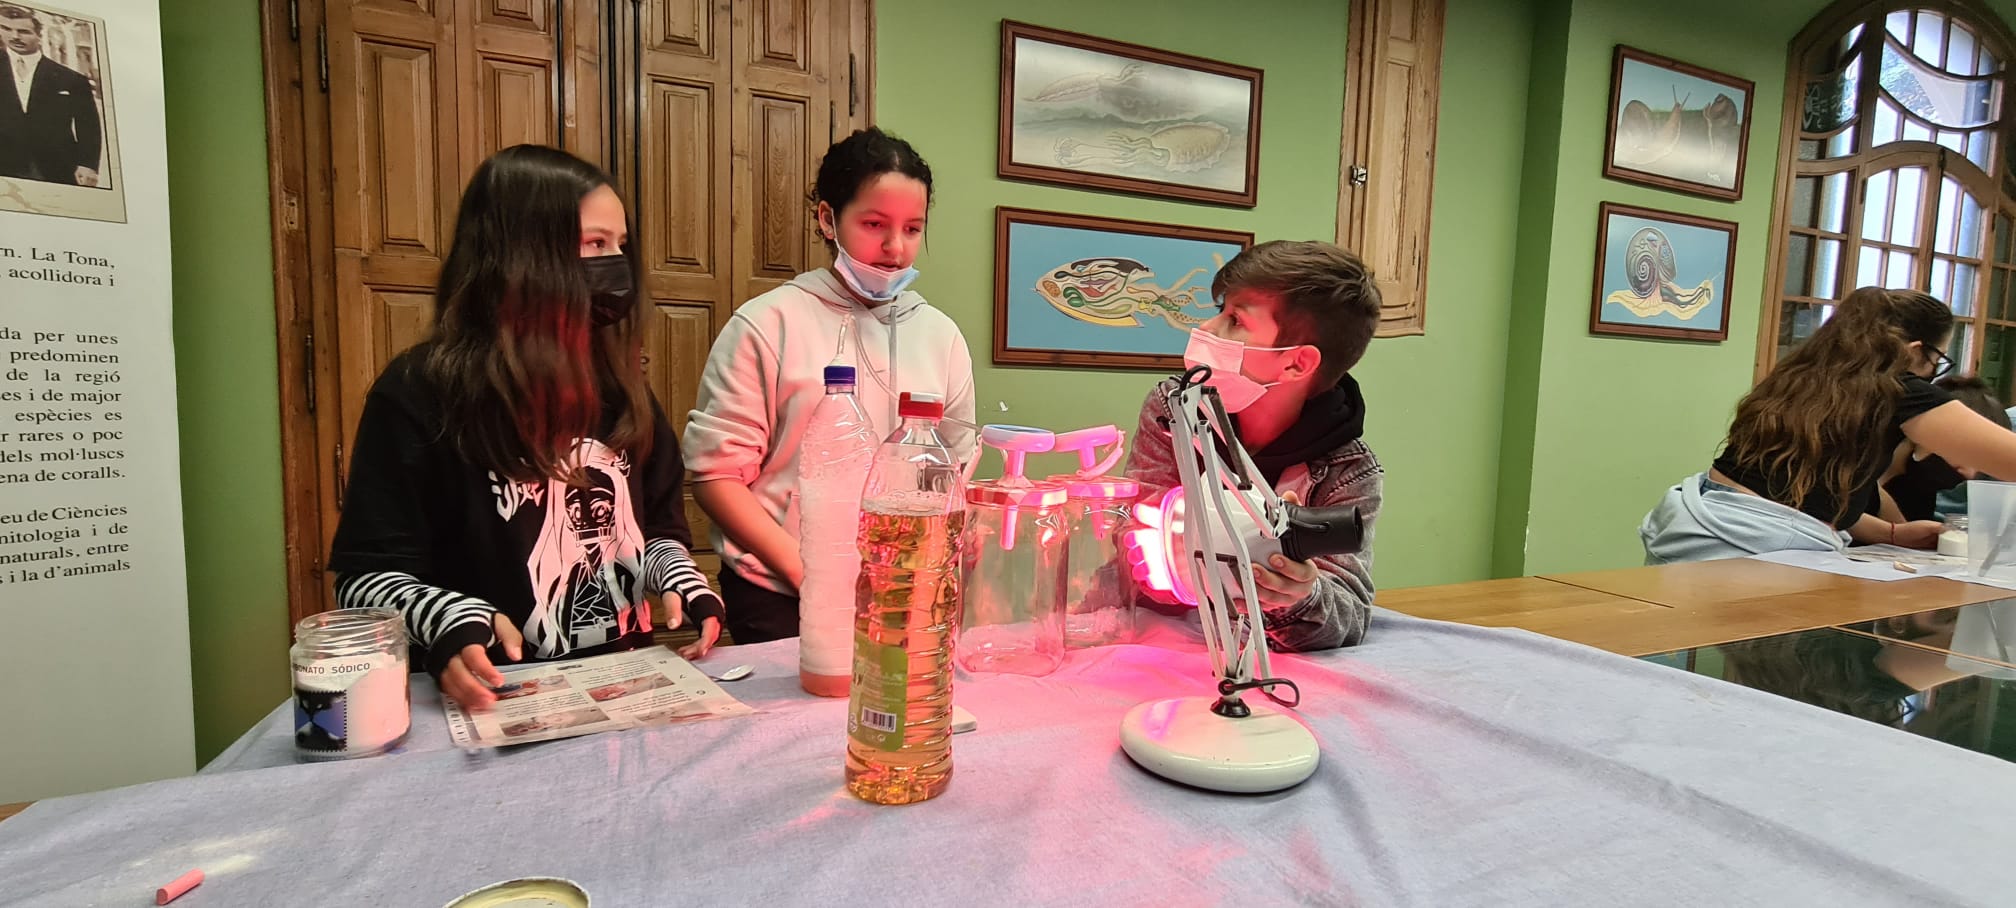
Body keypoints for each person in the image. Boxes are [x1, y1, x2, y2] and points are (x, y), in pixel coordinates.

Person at [328, 145, 723, 712]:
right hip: (493, 699)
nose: (617, 265)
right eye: (594, 244)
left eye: (621, 245)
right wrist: (450, 620)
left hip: (624, 690)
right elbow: (363, 581)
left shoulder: (621, 387)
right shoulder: (419, 392)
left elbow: (658, 528)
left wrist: (678, 575)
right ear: (524, 253)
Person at [684, 127, 975, 644]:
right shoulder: (768, 324)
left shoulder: (941, 336)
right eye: (874, 224)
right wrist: (814, 577)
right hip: (782, 591)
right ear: (827, 219)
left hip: (904, 590)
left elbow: (953, 469)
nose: (895, 248)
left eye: (912, 229)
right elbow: (716, 476)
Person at [1125, 240, 1382, 653]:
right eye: (1220, 311)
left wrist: (1297, 595)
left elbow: (1347, 617)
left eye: (1235, 320)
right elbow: (1135, 554)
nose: (1207, 329)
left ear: (1296, 362)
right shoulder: (1174, 411)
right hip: (1161, 639)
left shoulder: (1348, 470)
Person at [1642, 286, 2016, 564]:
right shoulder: (1899, 391)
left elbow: (1803, 493)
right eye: (1937, 360)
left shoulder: (1799, 378)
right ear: (1916, 350)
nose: (1934, 372)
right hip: (1751, 550)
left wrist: (1891, 534)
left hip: (1693, 525)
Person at [1880, 374, 2010, 522]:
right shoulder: (1866, 469)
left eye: (1981, 464)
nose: (1970, 474)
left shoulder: (1921, 490)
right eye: (1968, 454)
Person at [0, 3, 101, 186]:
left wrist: (88, 165)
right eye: (6, 29)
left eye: (23, 31)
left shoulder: (71, 79)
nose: (14, 36)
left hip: (56, 168)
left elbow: (88, 126)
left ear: (39, 34)